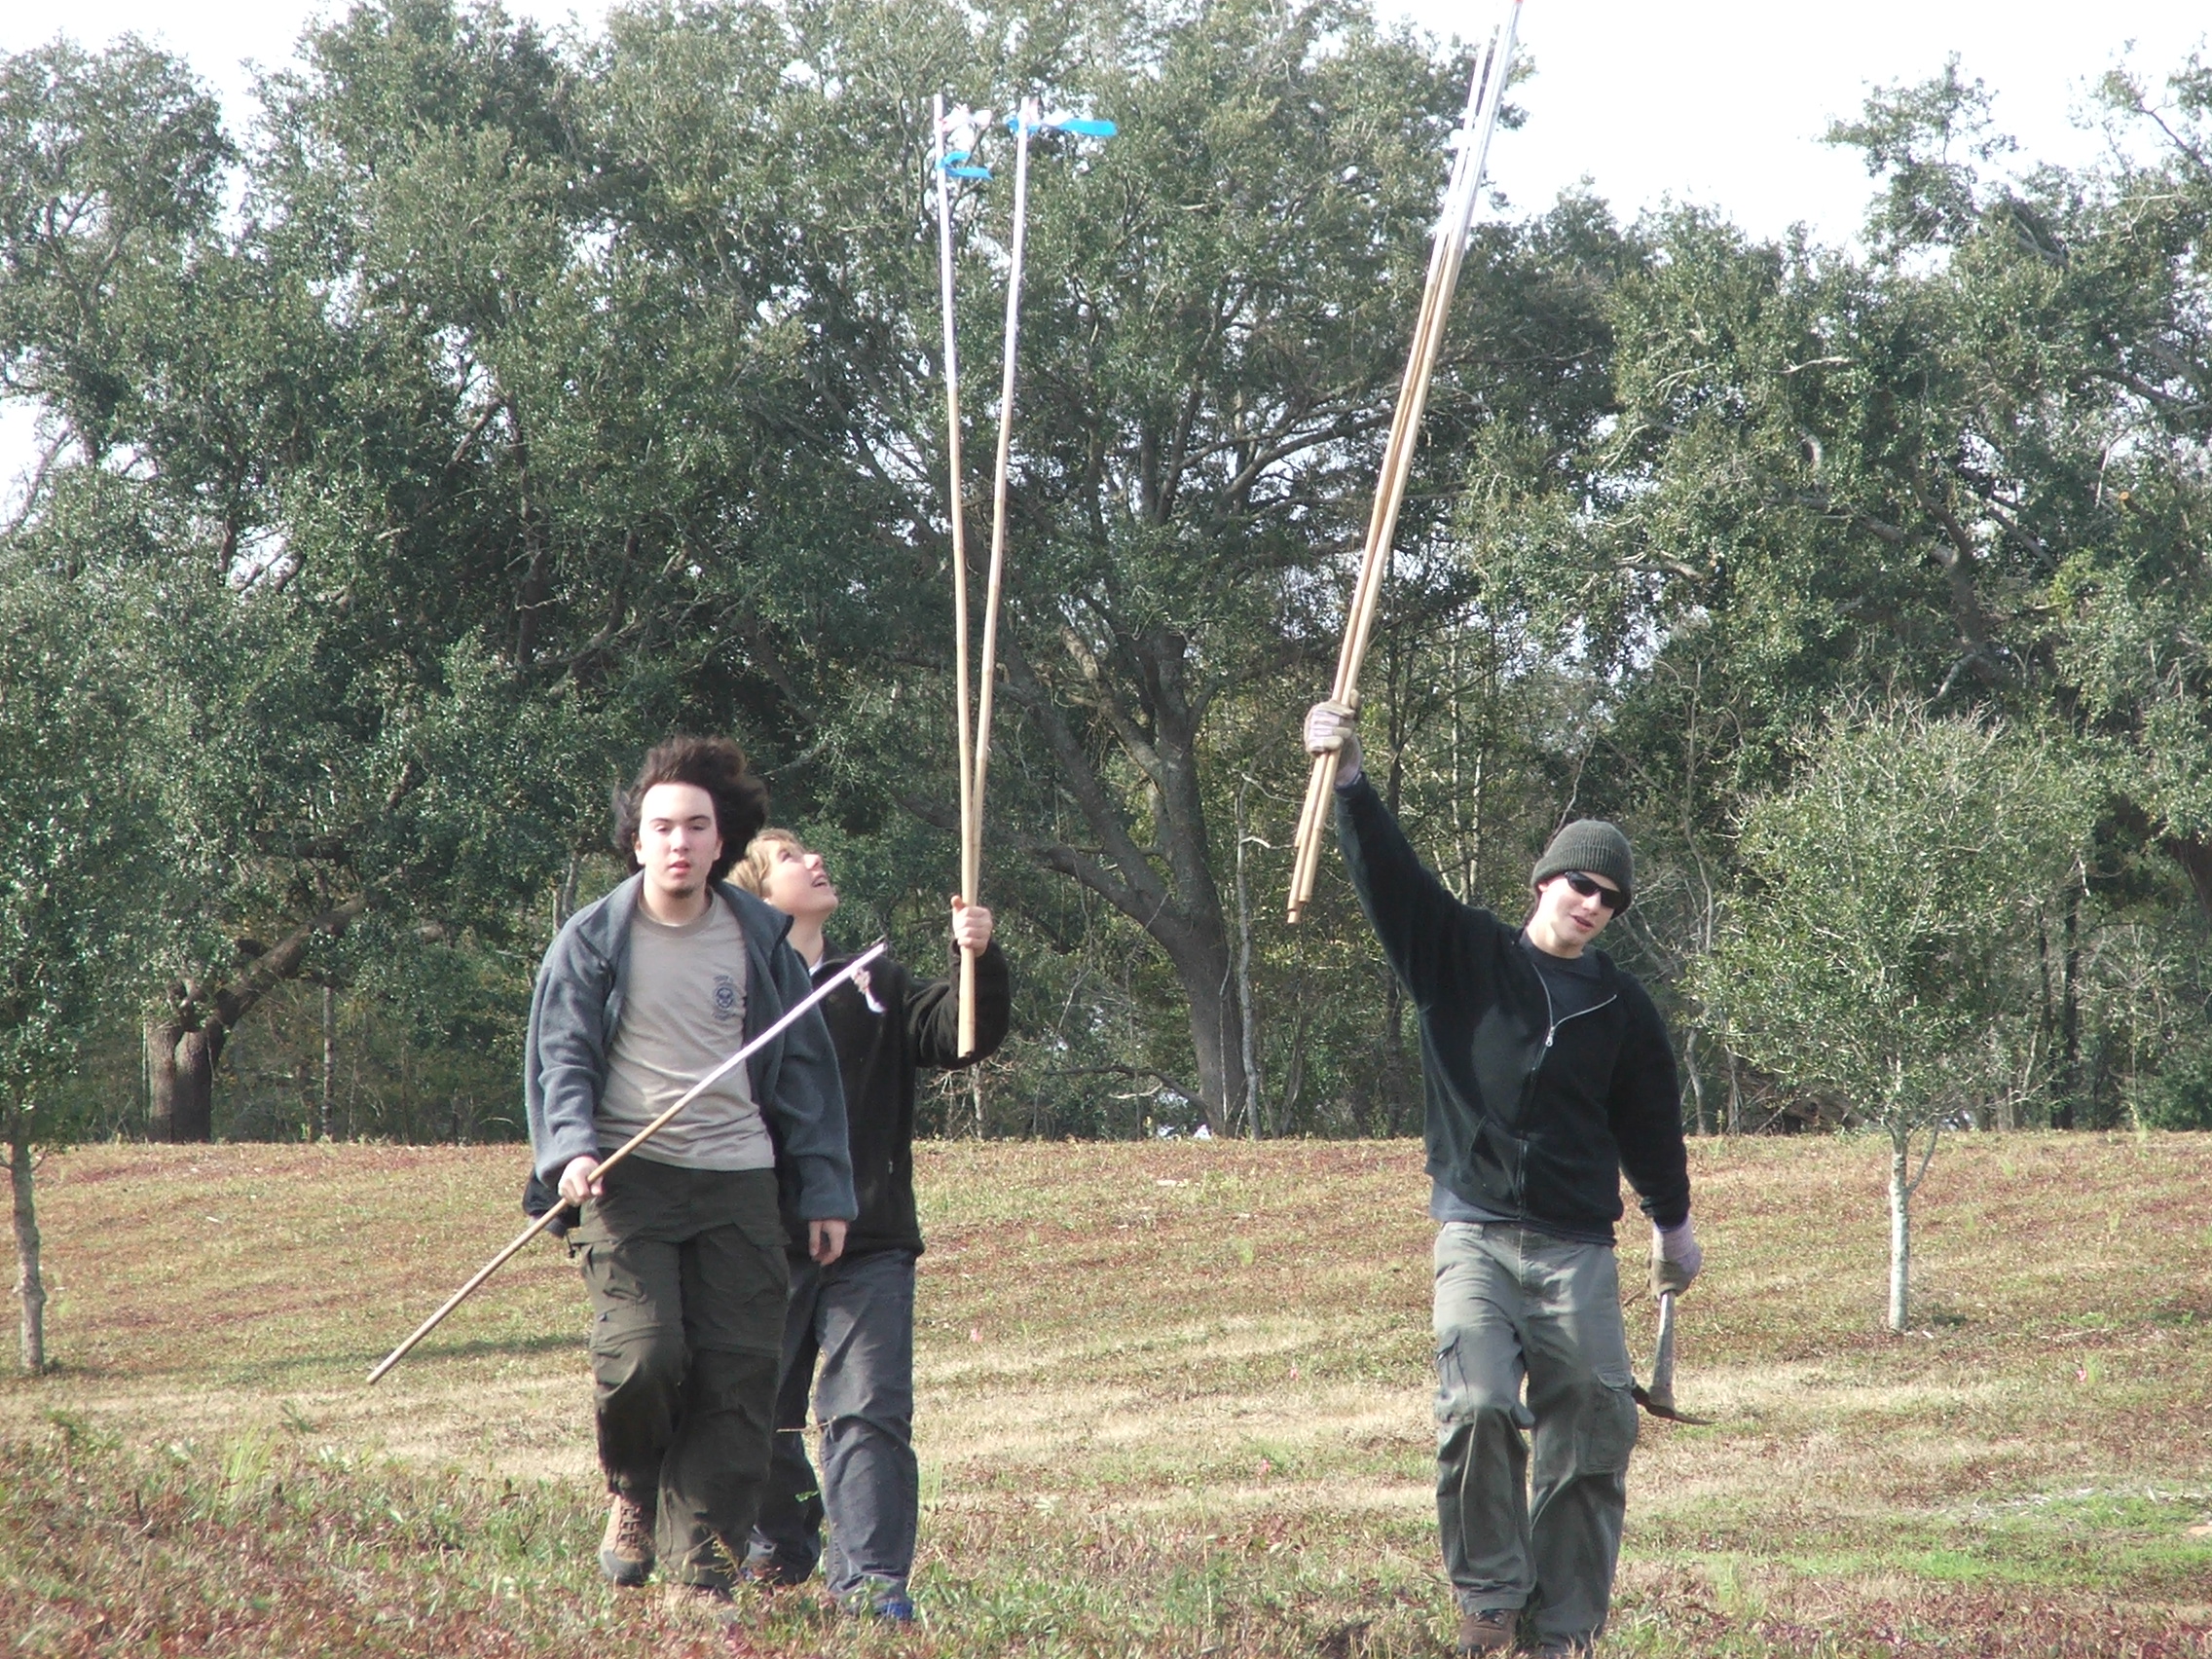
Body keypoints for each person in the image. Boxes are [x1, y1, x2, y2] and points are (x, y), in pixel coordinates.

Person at [1303, 702, 1702, 1659]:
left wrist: (1673, 1225)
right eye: (1580, 883)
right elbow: (1393, 883)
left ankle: (1559, 1632)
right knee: (1478, 1404)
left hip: (1577, 1249)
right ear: (1543, 881)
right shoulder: (1463, 959)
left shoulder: (1622, 1007)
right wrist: (1350, 780)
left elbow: (1650, 1125)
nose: (1592, 903)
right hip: (1476, 1234)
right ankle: (1488, 1601)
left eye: (1610, 898)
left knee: (1593, 1432)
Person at [524, 737, 857, 1610]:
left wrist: (824, 1188)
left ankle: (704, 1578)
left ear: (720, 844)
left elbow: (807, 1074)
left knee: (738, 1377)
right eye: (663, 827)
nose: (679, 842)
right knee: (645, 1354)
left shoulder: (760, 941)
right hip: (624, 1180)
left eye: (697, 827)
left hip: (740, 1181)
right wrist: (571, 1149)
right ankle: (635, 1487)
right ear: (638, 841)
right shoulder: (592, 940)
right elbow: (560, 1059)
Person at [731, 830, 1010, 1619]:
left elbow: (959, 1035)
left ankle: (873, 1583)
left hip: (871, 1238)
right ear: (756, 892)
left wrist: (976, 959)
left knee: (868, 1410)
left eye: (812, 853)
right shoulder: (734, 989)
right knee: (752, 1413)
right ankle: (778, 1543)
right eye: (791, 859)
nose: (816, 861)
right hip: (759, 1241)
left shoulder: (873, 981)